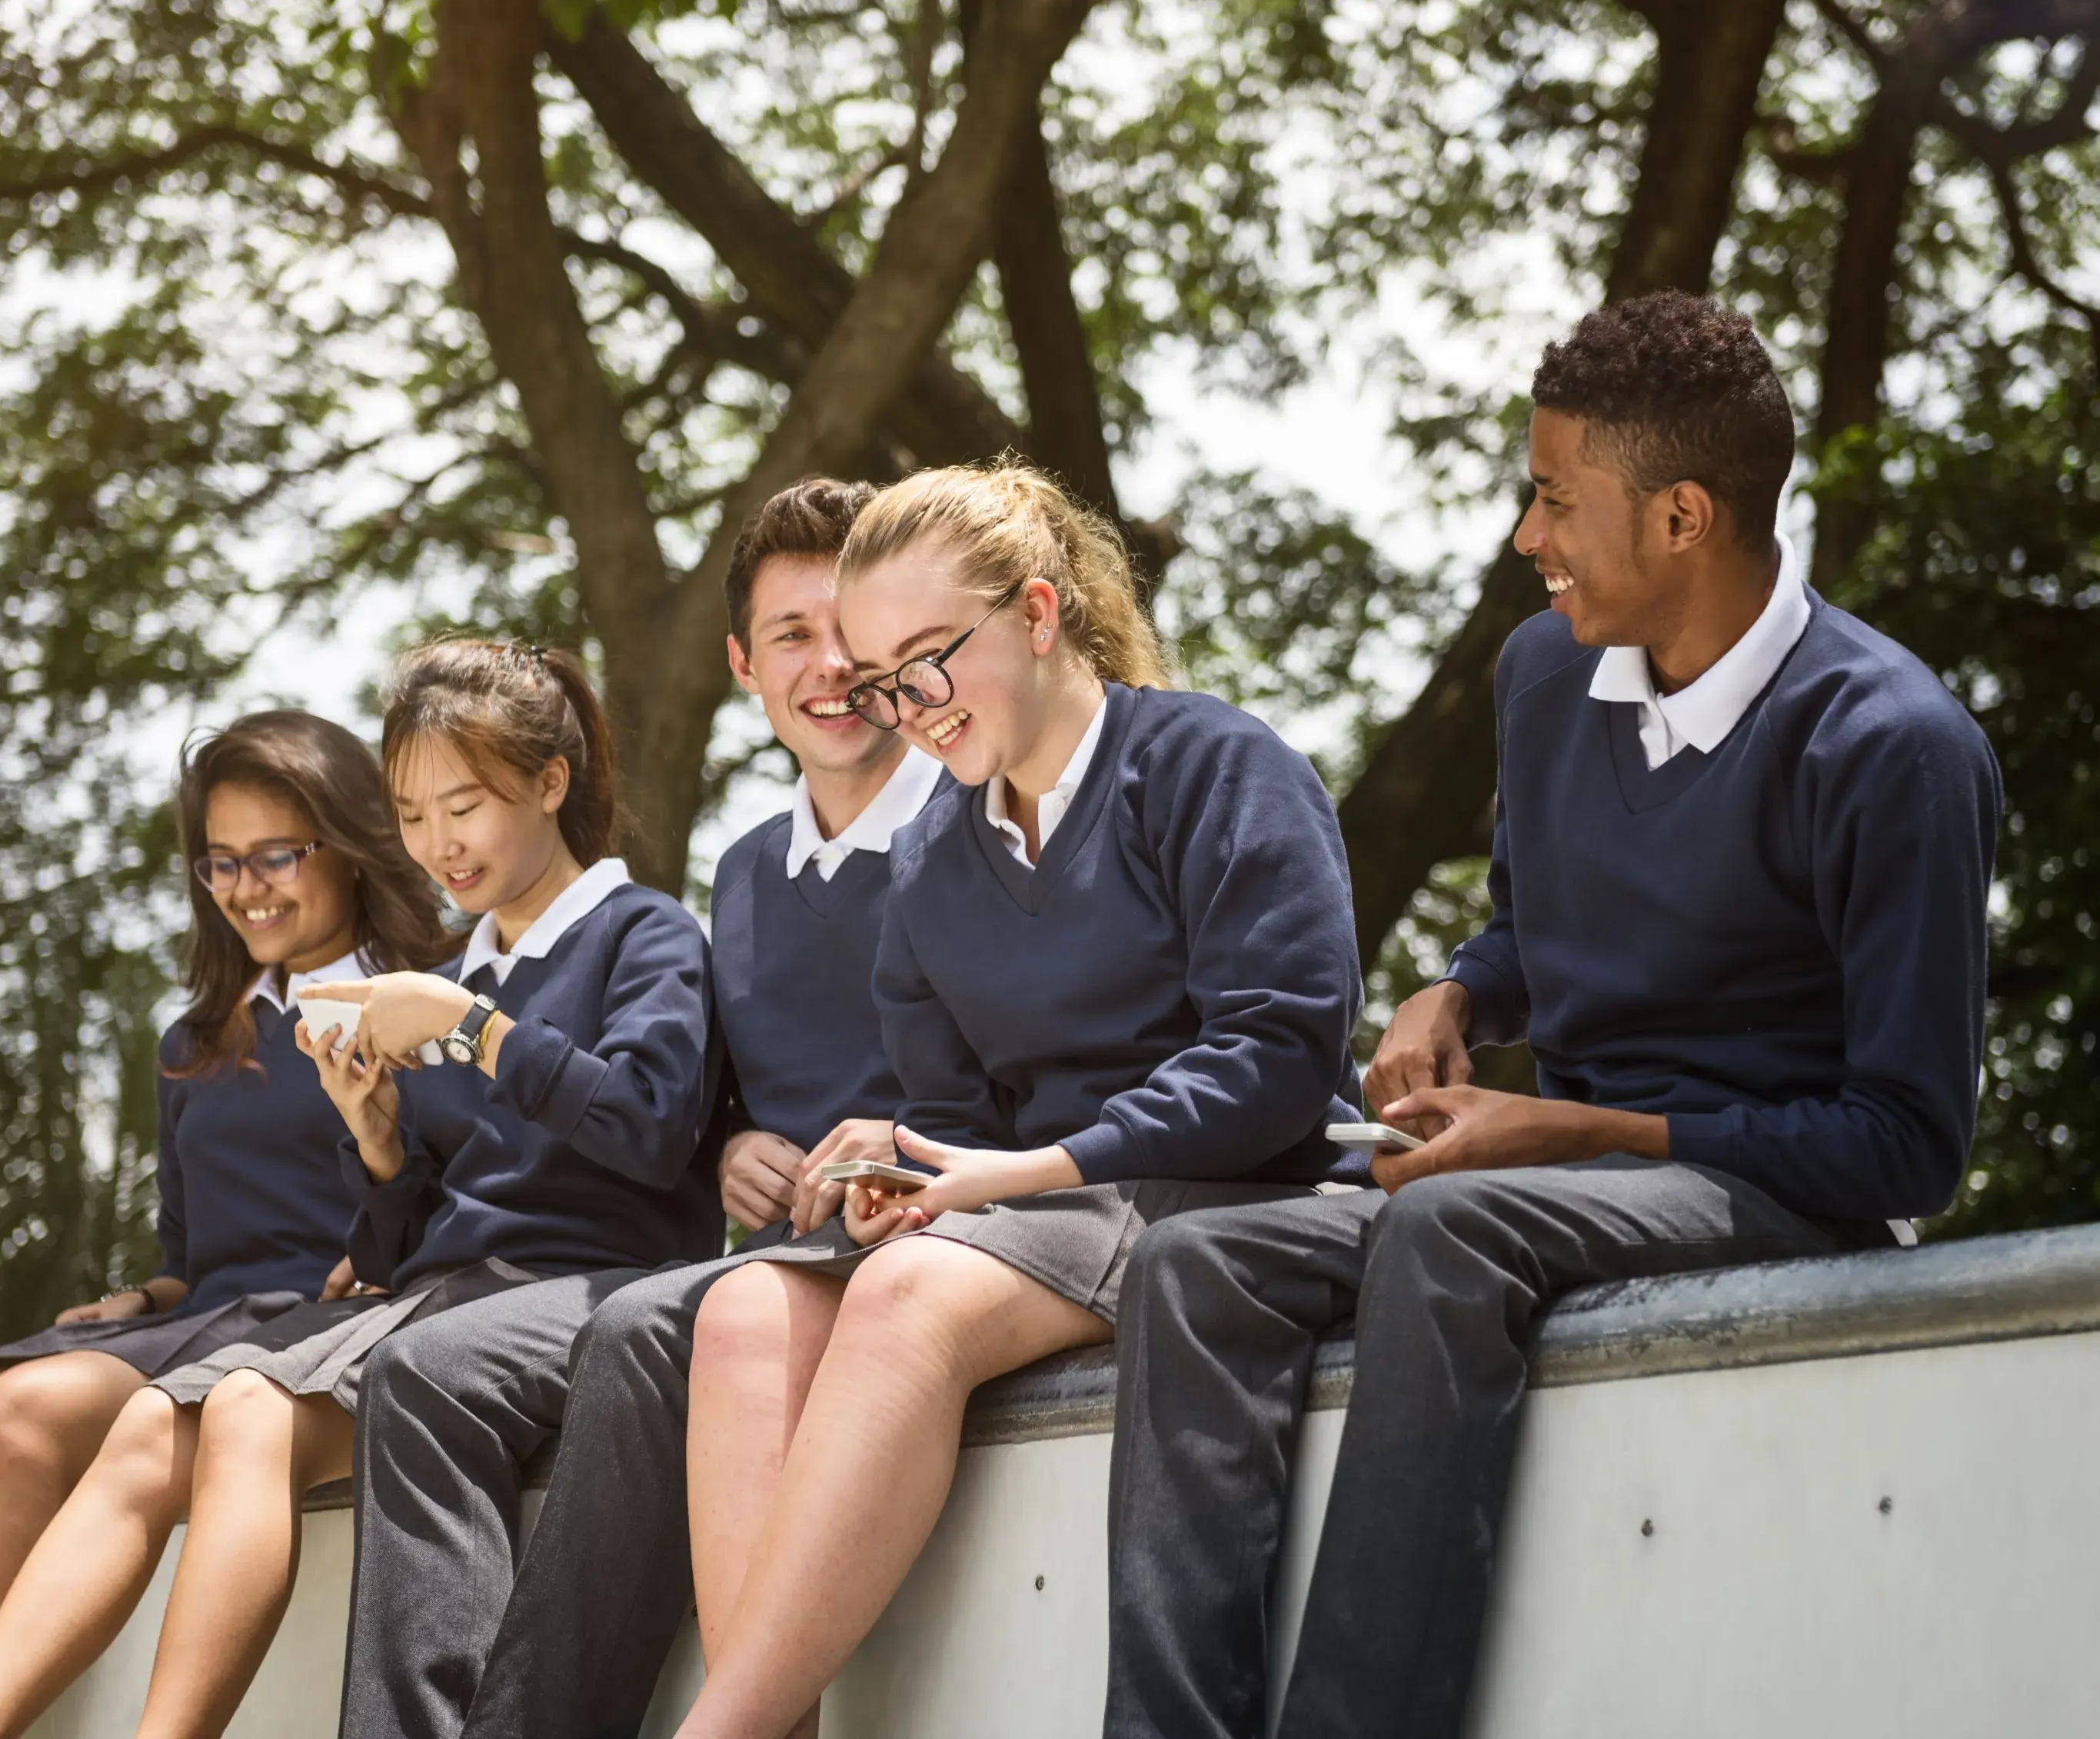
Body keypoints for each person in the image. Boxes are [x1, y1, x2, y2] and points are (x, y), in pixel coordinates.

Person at [1100, 291, 2003, 1739]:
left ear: (1682, 518)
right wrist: (1458, 987)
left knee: (1455, 1227)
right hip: (1560, 1176)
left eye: (1552, 498)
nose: (1527, 538)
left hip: (1775, 1191)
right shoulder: (1545, 674)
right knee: (1198, 1265)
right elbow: (1534, 919)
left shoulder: (1892, 747)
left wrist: (1566, 1124)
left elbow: (1904, 1149)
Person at [669, 463, 1365, 1739]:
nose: (906, 709)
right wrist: (904, 1161)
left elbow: (1276, 1059)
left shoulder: (1214, 764)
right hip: (1044, 1213)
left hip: (1234, 1191)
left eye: (929, 659)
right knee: (747, 1313)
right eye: (883, 681)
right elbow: (956, 1106)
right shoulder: (933, 855)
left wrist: (1021, 1172)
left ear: (1039, 614)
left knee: (908, 1293)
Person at [0, 641, 721, 1739]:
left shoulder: (644, 934)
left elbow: (649, 1128)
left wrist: (476, 1035)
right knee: (162, 1419)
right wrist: (378, 1143)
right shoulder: (448, 978)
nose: (441, 844)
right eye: (412, 814)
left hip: (571, 1291)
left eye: (466, 805)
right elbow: (397, 1249)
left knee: (242, 1403)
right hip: (441, 1297)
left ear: (550, 783)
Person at [341, 479, 947, 1739]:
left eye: (853, 631)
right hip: (781, 1253)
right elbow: (714, 1099)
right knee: (424, 1366)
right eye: (790, 635)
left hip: (922, 1235)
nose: (829, 665)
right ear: (742, 664)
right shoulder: (746, 874)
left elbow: (648, 1115)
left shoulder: (964, 822)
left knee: (636, 1332)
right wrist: (737, 1143)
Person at [0, 710, 454, 1739]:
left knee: (27, 1412)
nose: (248, 889)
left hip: (313, 1331)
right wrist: (144, 1295)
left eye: (277, 857)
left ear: (352, 845)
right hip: (195, 1318)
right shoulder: (196, 1040)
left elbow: (455, 1202)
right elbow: (191, 1253)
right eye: (221, 864)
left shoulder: (425, 1004)